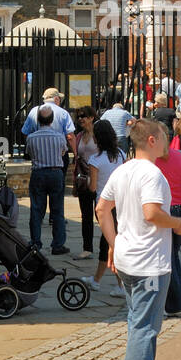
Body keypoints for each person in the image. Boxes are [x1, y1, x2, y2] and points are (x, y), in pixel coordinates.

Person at [96, 119, 181, 360]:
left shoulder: (122, 171)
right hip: (148, 262)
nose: (167, 140)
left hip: (129, 259)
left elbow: (102, 208)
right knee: (145, 327)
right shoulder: (152, 174)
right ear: (151, 139)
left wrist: (114, 244)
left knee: (138, 322)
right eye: (163, 135)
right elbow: (151, 213)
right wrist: (178, 224)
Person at [87, 119, 127, 298]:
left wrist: (85, 180)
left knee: (110, 242)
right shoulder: (121, 154)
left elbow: (93, 187)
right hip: (121, 202)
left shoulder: (95, 160)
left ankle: (120, 284)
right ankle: (97, 279)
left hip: (104, 204)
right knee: (110, 241)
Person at [155, 138, 181, 317]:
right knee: (173, 255)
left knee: (167, 258)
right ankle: (172, 302)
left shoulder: (153, 160)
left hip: (166, 210)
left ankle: (176, 304)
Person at [25, 104, 69, 254]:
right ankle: (57, 244)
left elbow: (29, 153)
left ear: (38, 119)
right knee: (57, 210)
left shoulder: (31, 138)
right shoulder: (59, 137)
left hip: (38, 173)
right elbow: (63, 152)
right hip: (56, 172)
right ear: (51, 119)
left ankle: (36, 243)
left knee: (37, 209)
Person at [72, 107, 98, 259]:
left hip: (99, 179)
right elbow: (78, 160)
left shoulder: (98, 135)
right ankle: (87, 248)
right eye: (79, 117)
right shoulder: (80, 136)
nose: (81, 119)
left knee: (101, 214)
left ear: (92, 118)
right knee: (86, 216)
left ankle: (110, 245)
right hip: (84, 180)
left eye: (84, 116)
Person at [21, 88, 77, 157]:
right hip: (58, 153)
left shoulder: (34, 111)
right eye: (59, 98)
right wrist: (75, 154)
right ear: (56, 99)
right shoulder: (63, 113)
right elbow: (70, 136)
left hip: (39, 153)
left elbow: (25, 132)